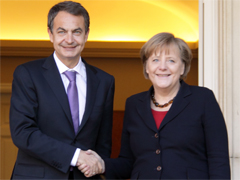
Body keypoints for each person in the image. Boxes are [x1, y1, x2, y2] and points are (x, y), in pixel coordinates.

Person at [81, 32, 231, 179]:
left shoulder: (203, 99)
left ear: (183, 68)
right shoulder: (134, 104)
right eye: (155, 60)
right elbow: (129, 162)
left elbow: (218, 159)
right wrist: (102, 165)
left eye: (171, 61)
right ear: (147, 67)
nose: (163, 67)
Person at [9, 1, 114, 179]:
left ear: (86, 35)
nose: (70, 40)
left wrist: (97, 167)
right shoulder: (27, 74)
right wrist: (75, 155)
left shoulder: (104, 81)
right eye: (62, 31)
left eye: (77, 32)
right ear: (50, 34)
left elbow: (103, 144)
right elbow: (22, 132)